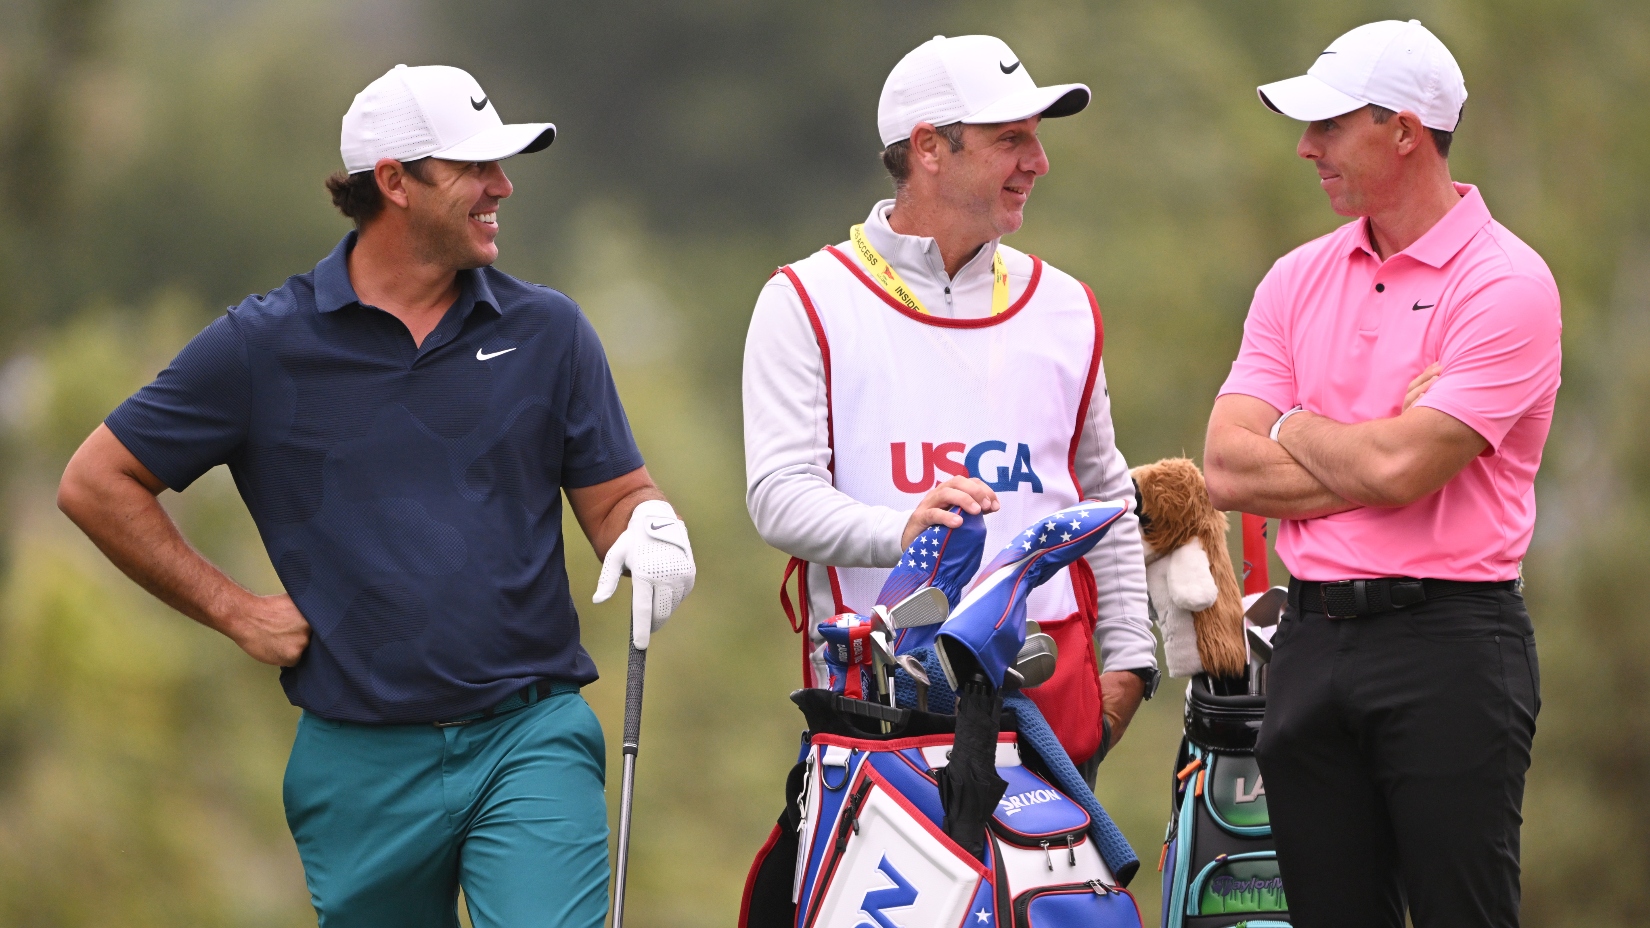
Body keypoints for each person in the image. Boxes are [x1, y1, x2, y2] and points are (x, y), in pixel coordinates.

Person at [55, 64, 695, 928]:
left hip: (528, 735)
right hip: (357, 760)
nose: (502, 187)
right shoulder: (263, 346)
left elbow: (617, 497)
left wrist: (650, 525)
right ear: (393, 181)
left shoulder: (547, 332)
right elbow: (97, 481)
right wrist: (235, 610)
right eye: (474, 169)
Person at [1204, 21, 1559, 928]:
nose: (1305, 146)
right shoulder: (1296, 277)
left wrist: (1298, 424)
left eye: (1329, 125)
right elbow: (1227, 464)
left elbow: (1405, 469)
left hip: (1451, 646)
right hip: (1312, 640)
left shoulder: (1506, 283)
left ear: (1403, 130)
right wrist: (1375, 441)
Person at [742, 34, 1157, 778]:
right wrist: (901, 530)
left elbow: (1106, 493)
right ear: (929, 148)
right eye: (1011, 140)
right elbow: (778, 497)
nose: (1038, 161)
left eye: (1035, 138)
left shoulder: (1065, 305)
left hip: (1051, 706)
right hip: (879, 702)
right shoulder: (806, 299)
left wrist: (1130, 663)